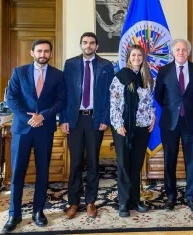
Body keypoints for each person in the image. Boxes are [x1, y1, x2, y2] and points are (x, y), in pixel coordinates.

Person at [3, 39, 66, 233]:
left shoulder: (58, 75)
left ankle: (38, 211)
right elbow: (11, 99)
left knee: (43, 171)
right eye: (39, 51)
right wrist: (28, 118)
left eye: (46, 51)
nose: (43, 54)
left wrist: (43, 116)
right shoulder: (19, 72)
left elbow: (62, 101)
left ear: (50, 54)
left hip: (44, 129)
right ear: (32, 52)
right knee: (18, 173)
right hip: (22, 129)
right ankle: (14, 214)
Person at [59, 32, 114, 219]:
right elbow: (64, 94)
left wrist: (105, 119)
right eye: (85, 42)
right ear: (81, 44)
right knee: (75, 163)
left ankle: (91, 201)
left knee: (93, 161)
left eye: (92, 43)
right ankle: (73, 202)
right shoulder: (70, 64)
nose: (88, 46)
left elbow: (109, 95)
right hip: (74, 119)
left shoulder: (106, 66)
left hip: (95, 119)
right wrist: (63, 119)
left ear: (97, 46)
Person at [155, 39, 193, 213]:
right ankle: (171, 196)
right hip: (170, 123)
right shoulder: (164, 71)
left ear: (188, 52)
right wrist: (173, 109)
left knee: (191, 161)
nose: (181, 52)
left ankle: (191, 197)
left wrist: (190, 109)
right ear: (172, 52)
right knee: (169, 160)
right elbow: (159, 96)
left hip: (191, 122)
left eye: (184, 49)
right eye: (177, 49)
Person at [110, 45, 155, 217]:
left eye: (139, 55)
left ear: (143, 57)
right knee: (124, 164)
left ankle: (135, 200)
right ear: (129, 57)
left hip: (143, 127)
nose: (136, 58)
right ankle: (123, 203)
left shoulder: (147, 77)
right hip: (124, 127)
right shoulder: (120, 77)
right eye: (133, 55)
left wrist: (153, 116)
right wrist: (118, 124)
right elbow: (113, 103)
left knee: (136, 165)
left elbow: (149, 102)